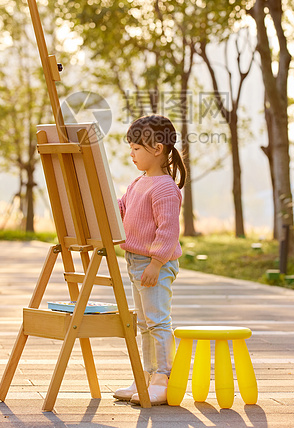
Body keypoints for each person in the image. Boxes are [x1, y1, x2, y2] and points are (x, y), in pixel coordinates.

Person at [113, 114, 187, 406]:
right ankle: (145, 374)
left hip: (154, 264)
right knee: (143, 322)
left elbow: (168, 230)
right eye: (130, 148)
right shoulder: (138, 182)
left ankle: (163, 378)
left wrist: (156, 263)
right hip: (135, 262)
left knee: (157, 321)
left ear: (157, 148)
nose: (131, 154)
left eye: (136, 148)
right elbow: (122, 208)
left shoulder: (165, 187)